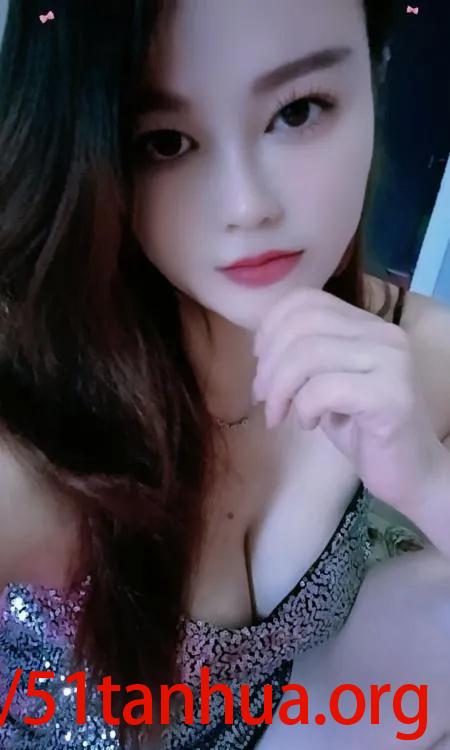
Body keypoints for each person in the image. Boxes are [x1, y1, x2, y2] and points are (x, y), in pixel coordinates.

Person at [1, 0, 450, 748]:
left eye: (298, 110)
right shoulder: (40, 414)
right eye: (165, 142)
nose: (247, 206)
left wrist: (430, 483)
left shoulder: (415, 350)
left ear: (376, 74)